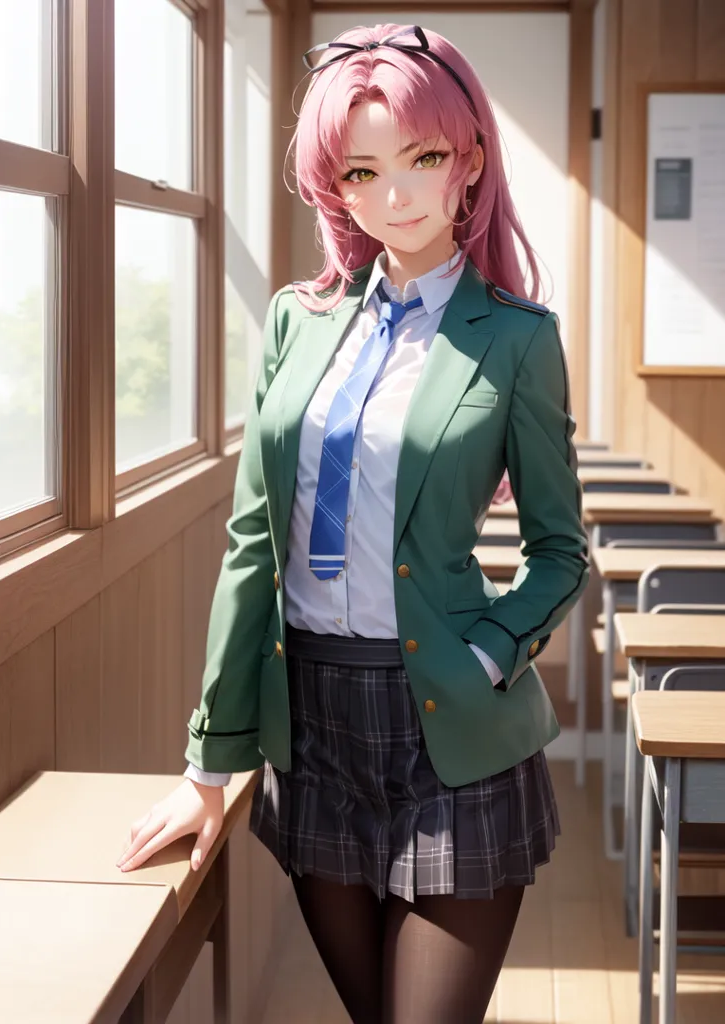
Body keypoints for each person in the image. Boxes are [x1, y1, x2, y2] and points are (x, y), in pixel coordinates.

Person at [117, 23, 589, 1023]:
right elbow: (253, 546)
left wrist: (494, 650)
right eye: (363, 170)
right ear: (337, 185)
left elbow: (557, 553)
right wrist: (210, 763)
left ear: (468, 164)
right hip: (315, 726)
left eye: (423, 159)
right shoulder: (298, 317)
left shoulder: (515, 339)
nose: (398, 195)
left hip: (450, 723)